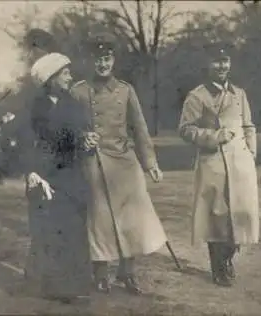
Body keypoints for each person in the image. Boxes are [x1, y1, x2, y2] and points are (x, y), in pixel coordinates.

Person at [70, 32, 168, 295]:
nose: (102, 64)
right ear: (90, 62)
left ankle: (128, 271)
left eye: (106, 58)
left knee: (131, 219)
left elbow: (140, 128)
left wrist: (150, 163)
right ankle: (101, 272)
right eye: (97, 59)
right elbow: (67, 127)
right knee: (99, 220)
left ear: (113, 60)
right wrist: (81, 138)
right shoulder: (78, 91)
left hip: (124, 162)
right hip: (93, 162)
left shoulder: (125, 90)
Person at [178, 42, 259, 287]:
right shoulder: (197, 95)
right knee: (217, 217)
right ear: (208, 64)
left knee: (243, 215)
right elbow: (185, 129)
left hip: (240, 163)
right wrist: (213, 137)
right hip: (213, 162)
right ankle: (218, 266)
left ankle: (228, 257)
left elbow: (248, 126)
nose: (221, 66)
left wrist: (251, 152)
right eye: (216, 61)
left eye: (225, 61)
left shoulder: (239, 93)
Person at [20, 52, 94, 303]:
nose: (70, 77)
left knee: (72, 229)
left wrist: (88, 142)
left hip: (71, 176)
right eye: (65, 73)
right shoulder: (33, 108)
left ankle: (70, 286)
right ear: (50, 79)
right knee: (46, 230)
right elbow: (25, 143)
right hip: (44, 177)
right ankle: (40, 284)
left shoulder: (73, 104)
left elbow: (82, 136)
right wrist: (32, 172)